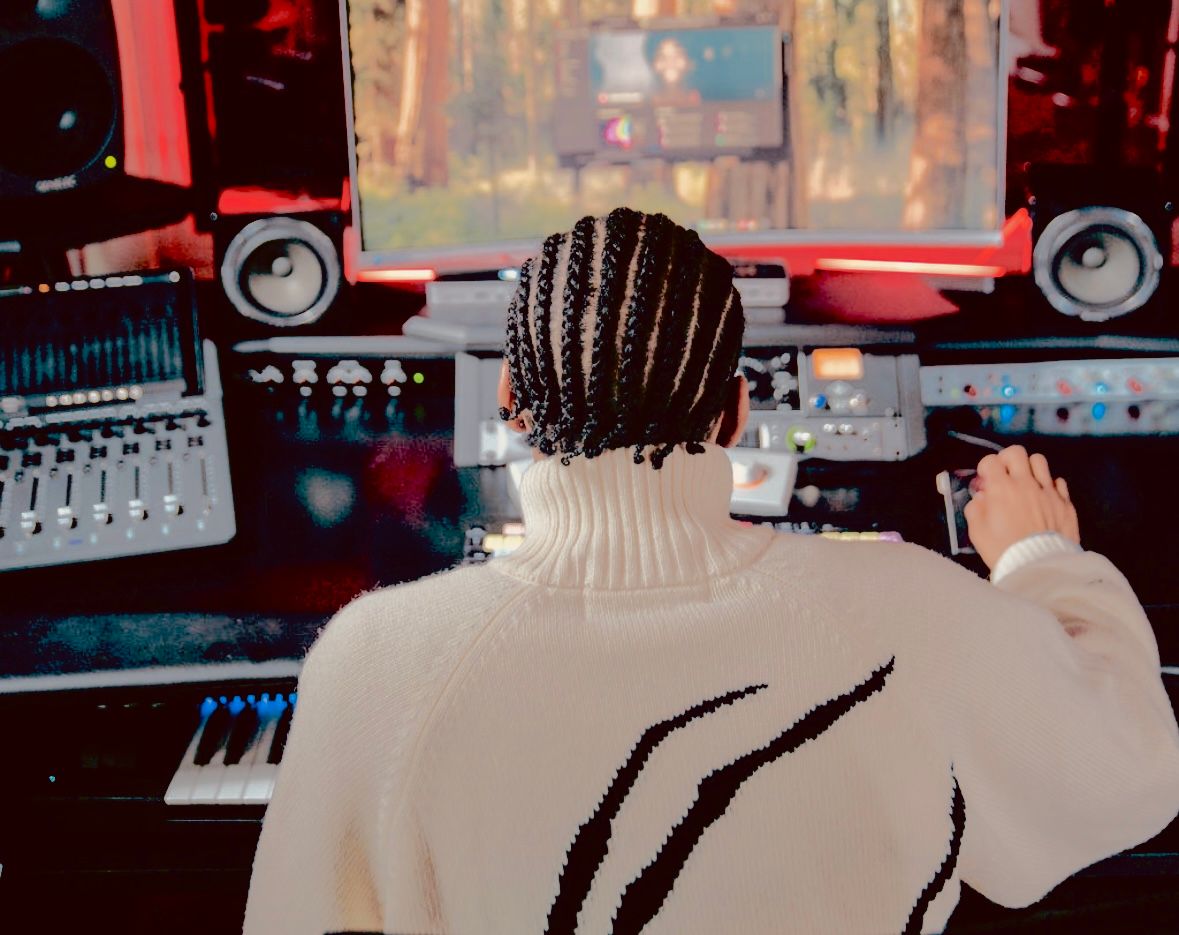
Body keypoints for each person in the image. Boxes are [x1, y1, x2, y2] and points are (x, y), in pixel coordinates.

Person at [244, 208, 1179, 935]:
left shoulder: (369, 661)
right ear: (735, 414)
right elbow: (1128, 771)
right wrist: (1043, 561)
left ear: (508, 401)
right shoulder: (915, 611)